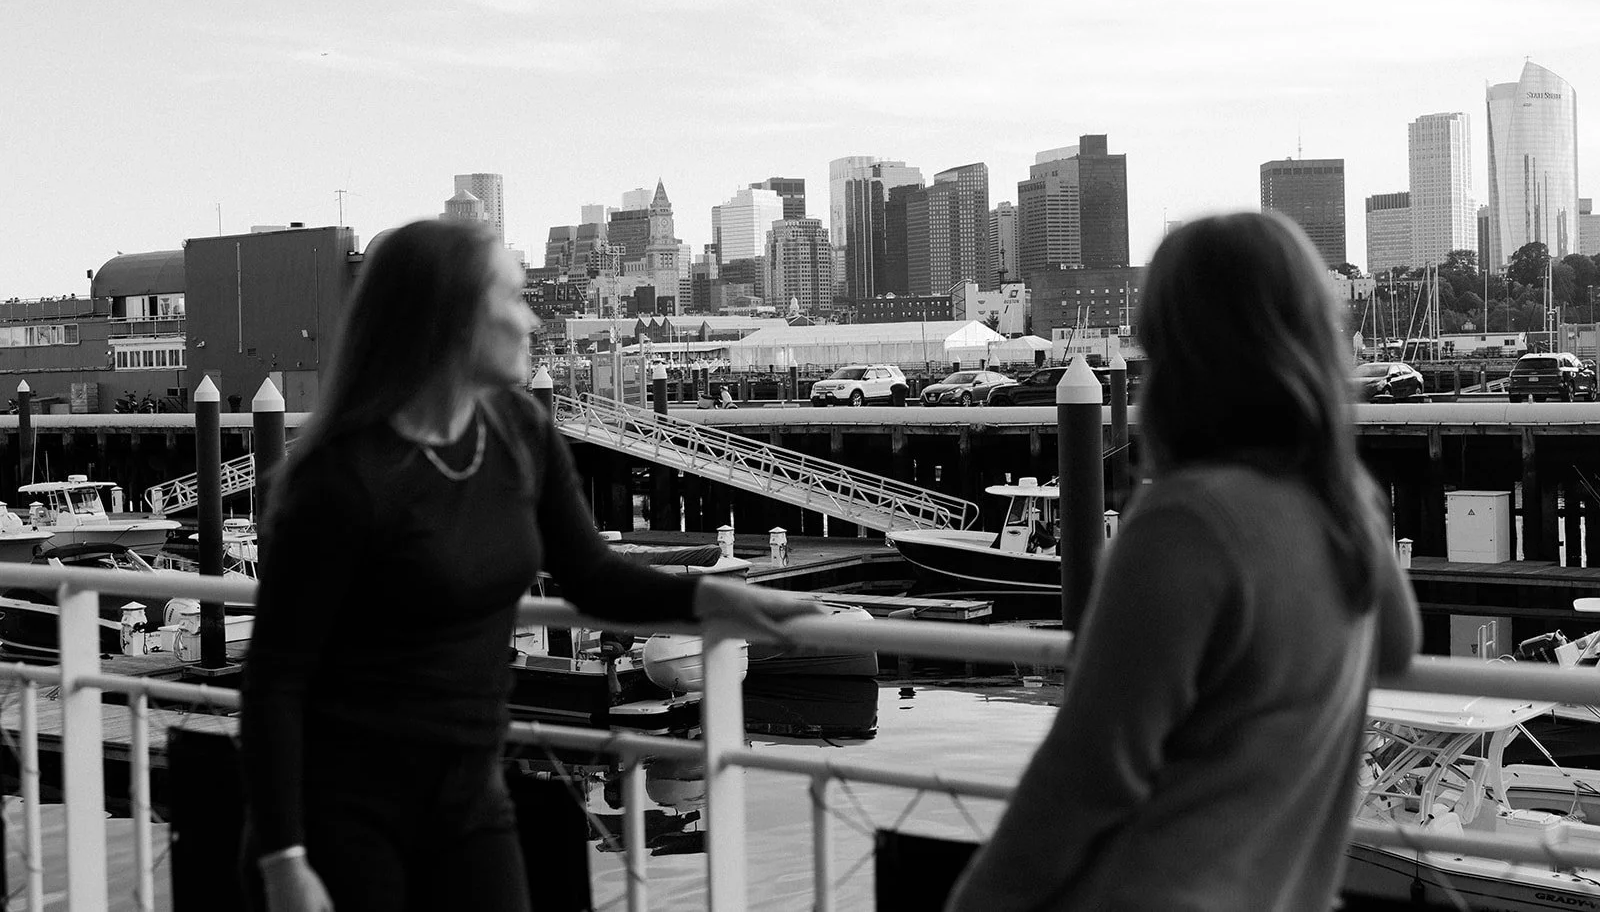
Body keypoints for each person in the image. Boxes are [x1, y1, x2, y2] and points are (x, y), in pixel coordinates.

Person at [239, 218, 818, 912]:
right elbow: (276, 680)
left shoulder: (519, 431)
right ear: (451, 317)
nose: (533, 320)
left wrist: (717, 600)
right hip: (343, 810)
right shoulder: (340, 479)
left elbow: (591, 575)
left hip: (469, 794)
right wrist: (284, 860)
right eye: (512, 298)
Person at [945, 211, 1420, 911]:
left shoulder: (1186, 523)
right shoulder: (1344, 505)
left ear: (1180, 352)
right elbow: (1398, 645)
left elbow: (1085, 775)